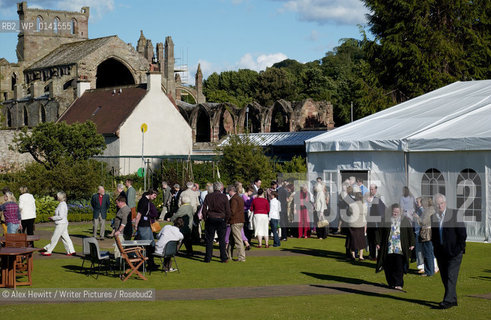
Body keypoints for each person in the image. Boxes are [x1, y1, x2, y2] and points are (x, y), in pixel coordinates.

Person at [431, 193, 467, 309]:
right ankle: (453, 299)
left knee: (451, 276)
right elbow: (434, 235)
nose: (440, 206)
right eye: (437, 204)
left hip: (454, 252)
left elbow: (462, 234)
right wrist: (435, 248)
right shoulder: (433, 217)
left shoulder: (455, 214)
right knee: (445, 277)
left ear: (445, 203)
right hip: (441, 252)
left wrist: (458, 249)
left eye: (441, 203)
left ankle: (447, 300)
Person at [375, 203, 415, 290]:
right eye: (394, 211)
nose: (395, 213)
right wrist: (378, 243)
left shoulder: (405, 220)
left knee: (399, 266)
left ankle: (398, 283)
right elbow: (379, 231)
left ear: (400, 212)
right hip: (388, 247)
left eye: (397, 212)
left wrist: (412, 243)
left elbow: (410, 232)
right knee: (388, 266)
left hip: (400, 248)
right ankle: (391, 283)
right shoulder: (385, 220)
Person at [202, 182, 231, 263]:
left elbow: (204, 209)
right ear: (221, 188)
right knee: (222, 240)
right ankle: (223, 258)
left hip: (211, 218)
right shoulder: (224, 197)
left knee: (209, 240)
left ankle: (208, 257)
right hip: (221, 219)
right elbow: (228, 210)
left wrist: (205, 218)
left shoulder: (208, 196)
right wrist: (226, 220)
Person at [42, 191, 76, 256]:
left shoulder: (62, 205)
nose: (56, 197)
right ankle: (71, 251)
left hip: (61, 223)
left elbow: (61, 216)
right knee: (66, 238)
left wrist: (53, 218)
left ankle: (49, 251)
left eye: (57, 196)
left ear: (60, 197)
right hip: (63, 223)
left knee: (55, 237)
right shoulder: (62, 204)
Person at [134, 189, 159, 269]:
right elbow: (139, 214)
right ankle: (142, 263)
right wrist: (136, 225)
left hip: (147, 225)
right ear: (150, 194)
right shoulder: (143, 201)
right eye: (154, 196)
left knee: (151, 245)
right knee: (145, 245)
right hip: (143, 225)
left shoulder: (147, 201)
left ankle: (151, 263)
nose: (155, 198)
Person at [414, 197, 438, 277]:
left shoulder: (427, 211)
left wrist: (417, 217)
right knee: (430, 253)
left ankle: (429, 271)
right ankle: (430, 270)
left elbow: (423, 222)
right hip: (431, 233)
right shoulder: (433, 209)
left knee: (427, 253)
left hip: (426, 234)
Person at [346, 187, 368, 261]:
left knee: (352, 239)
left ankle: (353, 256)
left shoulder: (352, 204)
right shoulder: (364, 205)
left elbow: (348, 212)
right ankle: (361, 256)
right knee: (361, 240)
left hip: (352, 224)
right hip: (361, 224)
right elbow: (365, 213)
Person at [365, 183, 386, 260]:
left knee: (376, 239)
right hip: (369, 221)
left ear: (376, 190)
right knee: (370, 238)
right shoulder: (367, 197)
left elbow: (382, 211)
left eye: (372, 189)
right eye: (370, 189)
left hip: (376, 223)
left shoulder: (378, 198)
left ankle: (378, 255)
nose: (371, 190)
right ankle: (372, 254)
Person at [227, 185, 246, 261]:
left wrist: (227, 217)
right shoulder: (240, 198)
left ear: (231, 191)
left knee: (238, 240)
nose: (228, 193)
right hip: (240, 220)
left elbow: (232, 211)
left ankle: (241, 257)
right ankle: (228, 255)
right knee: (231, 239)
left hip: (235, 221)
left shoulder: (234, 199)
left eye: (228, 191)